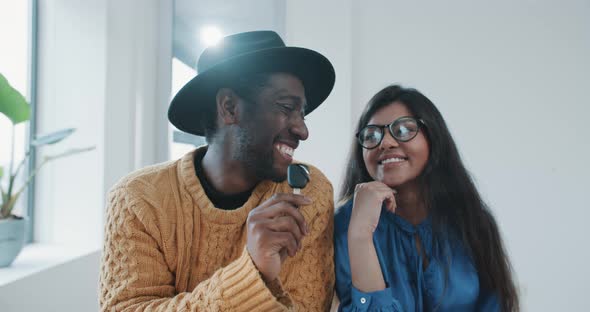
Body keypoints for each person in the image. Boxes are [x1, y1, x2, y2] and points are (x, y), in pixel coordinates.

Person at [99, 30, 336, 311]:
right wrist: (253, 270)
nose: (302, 130)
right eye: (286, 107)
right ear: (229, 107)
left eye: (302, 113)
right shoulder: (138, 199)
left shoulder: (310, 192)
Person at [334, 85, 519, 311]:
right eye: (372, 135)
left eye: (402, 130)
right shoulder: (346, 224)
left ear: (433, 137)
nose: (385, 143)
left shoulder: (470, 219)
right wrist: (360, 235)